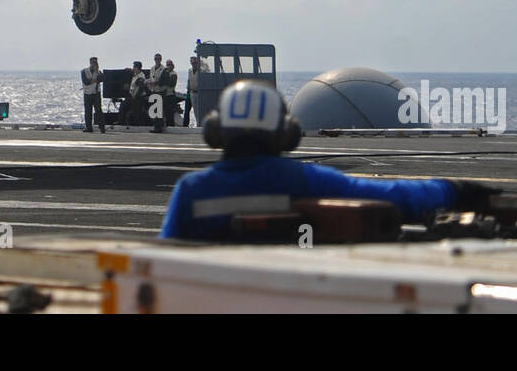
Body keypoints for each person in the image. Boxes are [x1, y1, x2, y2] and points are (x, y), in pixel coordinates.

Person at [160, 81, 493, 241]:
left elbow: (164, 255)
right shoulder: (304, 180)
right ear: (285, 134)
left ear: (217, 131)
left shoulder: (192, 189)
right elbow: (391, 198)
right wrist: (453, 190)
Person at [80, 57, 106, 134]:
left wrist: (97, 71)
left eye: (95, 62)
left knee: (98, 111)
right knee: (88, 111)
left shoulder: (98, 72)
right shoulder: (84, 71)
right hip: (87, 93)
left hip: (96, 93)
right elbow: (86, 82)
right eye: (92, 62)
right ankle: (89, 127)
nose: (94, 64)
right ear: (90, 63)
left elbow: (102, 79)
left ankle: (102, 128)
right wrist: (94, 80)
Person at [183, 55, 203, 127]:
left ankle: (199, 124)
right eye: (192, 63)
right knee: (187, 110)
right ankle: (185, 125)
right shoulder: (190, 70)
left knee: (197, 111)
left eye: (195, 63)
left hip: (198, 92)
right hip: (190, 92)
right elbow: (189, 80)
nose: (193, 64)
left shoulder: (201, 71)